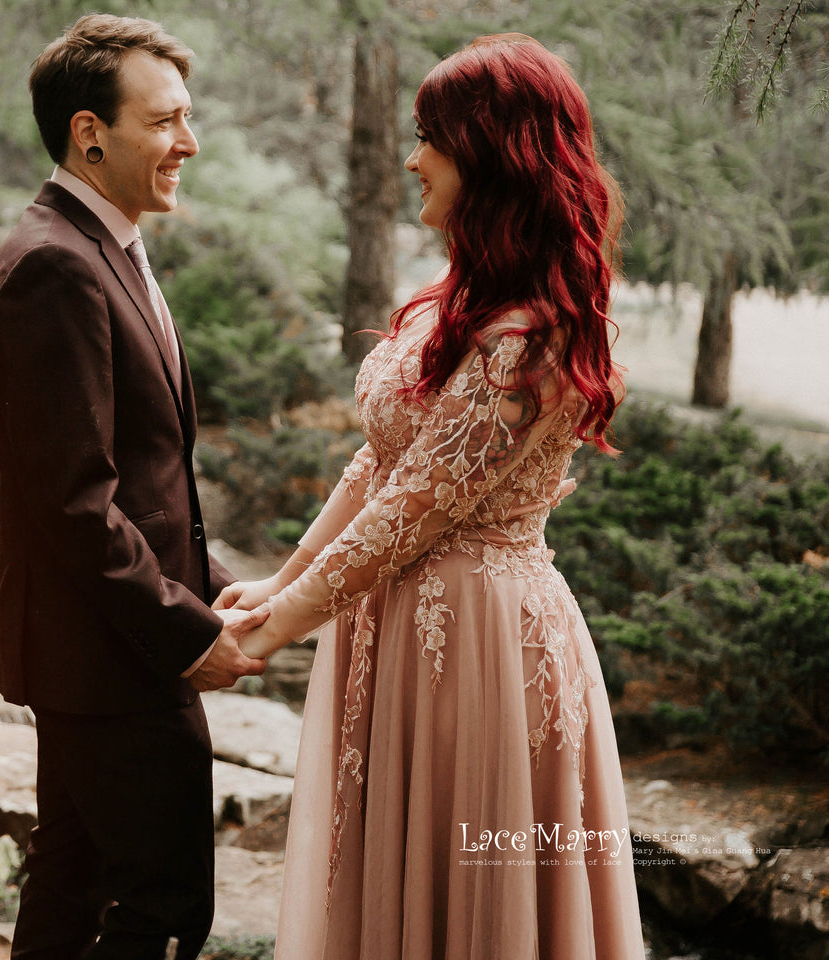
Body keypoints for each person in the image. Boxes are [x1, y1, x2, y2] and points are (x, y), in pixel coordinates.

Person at [217, 34, 646, 960]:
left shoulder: (530, 338)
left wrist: (266, 633)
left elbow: (415, 505)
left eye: (431, 138)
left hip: (482, 649)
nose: (412, 159)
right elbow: (380, 467)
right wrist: (281, 577)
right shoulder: (452, 306)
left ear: (493, 155)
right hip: (399, 625)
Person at [0, 15, 267, 960]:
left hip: (98, 651)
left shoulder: (100, 246)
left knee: (68, 891)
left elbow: (138, 477)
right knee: (163, 909)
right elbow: (72, 503)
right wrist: (184, 635)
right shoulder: (55, 267)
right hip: (113, 665)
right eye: (167, 121)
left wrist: (209, 579)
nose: (190, 142)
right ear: (90, 132)